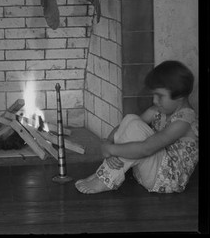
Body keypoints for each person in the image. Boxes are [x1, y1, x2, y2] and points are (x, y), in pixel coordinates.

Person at [75, 60, 198, 194]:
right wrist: (108, 142)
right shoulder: (159, 110)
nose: (155, 101)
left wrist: (111, 149)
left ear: (179, 96)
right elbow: (128, 124)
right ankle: (104, 173)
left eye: (160, 96)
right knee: (131, 119)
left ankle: (105, 179)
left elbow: (147, 148)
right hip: (148, 172)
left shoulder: (185, 121)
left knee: (137, 129)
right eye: (154, 95)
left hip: (167, 179)